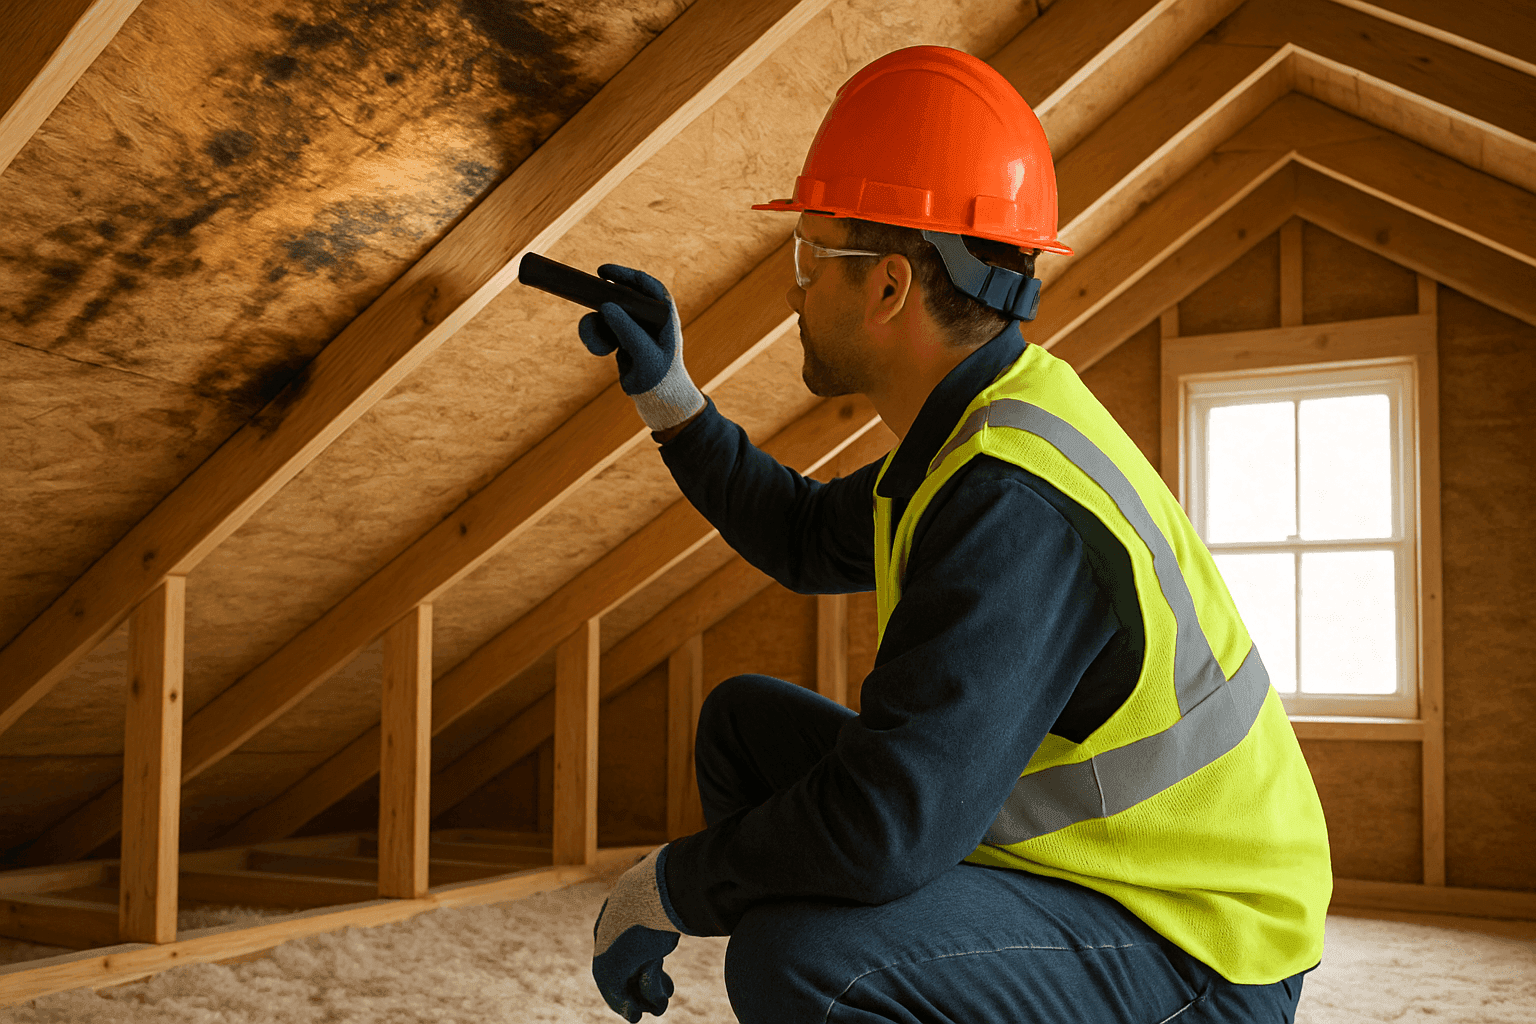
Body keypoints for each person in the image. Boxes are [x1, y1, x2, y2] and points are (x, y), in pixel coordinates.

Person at [579, 45, 1331, 1024]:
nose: (792, 287)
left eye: (812, 255)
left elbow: (888, 823)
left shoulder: (1012, 499)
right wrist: (668, 395)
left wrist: (668, 885)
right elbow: (805, 535)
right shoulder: (971, 433)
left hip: (1197, 944)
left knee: (803, 960)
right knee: (745, 729)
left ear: (889, 288)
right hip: (1073, 862)